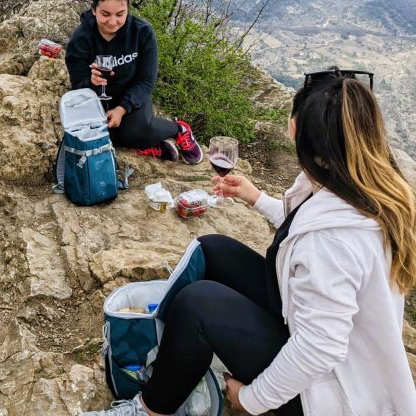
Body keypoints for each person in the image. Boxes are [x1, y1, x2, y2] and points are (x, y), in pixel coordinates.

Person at [82, 68, 416, 416]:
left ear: (299, 131)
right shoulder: (352, 181)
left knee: (198, 304)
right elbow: (305, 223)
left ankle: (151, 409)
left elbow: (320, 348)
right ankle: (171, 355)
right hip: (319, 344)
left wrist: (251, 398)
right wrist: (256, 198)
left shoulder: (332, 241)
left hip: (329, 394)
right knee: (214, 249)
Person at [65, 0, 202, 163]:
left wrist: (122, 109)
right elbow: (77, 86)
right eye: (105, 14)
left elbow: (146, 81)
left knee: (135, 132)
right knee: (97, 136)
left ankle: (179, 129)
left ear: (128, 10)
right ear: (93, 10)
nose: (113, 22)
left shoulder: (142, 32)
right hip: (96, 100)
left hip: (131, 96)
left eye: (120, 14)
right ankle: (158, 146)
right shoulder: (80, 39)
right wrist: (91, 82)